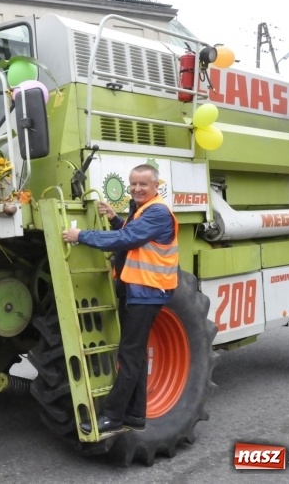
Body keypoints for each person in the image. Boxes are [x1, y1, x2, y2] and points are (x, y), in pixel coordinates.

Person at [62, 163, 178, 435]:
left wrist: (81, 236)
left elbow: (128, 238)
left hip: (147, 292)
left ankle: (113, 416)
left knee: (128, 356)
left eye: (143, 184)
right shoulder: (143, 209)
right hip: (137, 290)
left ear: (156, 186)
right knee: (134, 355)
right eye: (133, 184)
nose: (137, 189)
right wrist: (115, 217)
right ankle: (136, 415)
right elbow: (131, 232)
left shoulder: (158, 212)